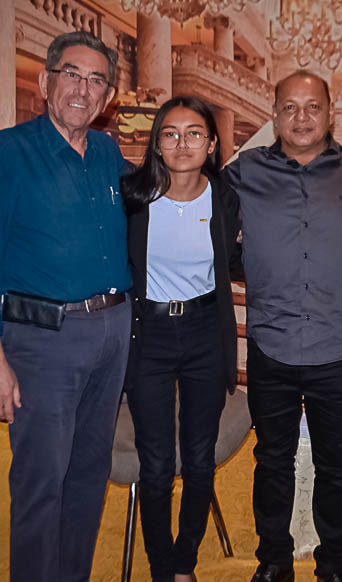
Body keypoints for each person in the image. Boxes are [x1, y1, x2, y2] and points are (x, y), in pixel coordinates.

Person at [0, 31, 132, 582]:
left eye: (96, 80)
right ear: (45, 82)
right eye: (72, 74)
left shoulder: (107, 153)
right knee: (40, 480)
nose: (83, 88)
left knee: (87, 473)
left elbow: (161, 198)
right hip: (43, 341)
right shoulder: (8, 152)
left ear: (106, 97)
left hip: (112, 333)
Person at [223, 71, 342, 582]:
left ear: (331, 113)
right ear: (275, 114)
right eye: (290, 107)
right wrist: (254, 264)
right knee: (272, 462)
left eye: (312, 107)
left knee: (336, 465)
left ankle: (334, 565)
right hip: (272, 346)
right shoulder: (245, 172)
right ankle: (274, 562)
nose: (302, 118)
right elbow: (208, 222)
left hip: (336, 349)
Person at [120, 96, 240, 582]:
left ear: (211, 144)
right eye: (170, 133)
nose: (182, 142)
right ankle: (160, 567)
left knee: (197, 456)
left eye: (195, 133)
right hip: (148, 334)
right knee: (155, 462)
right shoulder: (133, 196)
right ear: (157, 144)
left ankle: (184, 561)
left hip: (204, 331)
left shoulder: (226, 197)